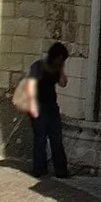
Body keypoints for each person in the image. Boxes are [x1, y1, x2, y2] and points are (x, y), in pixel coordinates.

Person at [29, 42, 70, 180]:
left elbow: (64, 83)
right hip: (38, 105)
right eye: (60, 59)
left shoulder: (57, 69)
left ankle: (61, 170)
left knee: (56, 137)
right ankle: (39, 169)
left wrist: (61, 70)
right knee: (40, 138)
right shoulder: (38, 66)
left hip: (51, 106)